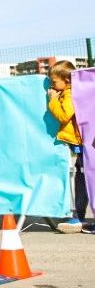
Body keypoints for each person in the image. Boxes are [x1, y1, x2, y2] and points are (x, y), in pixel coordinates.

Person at [47, 60, 90, 234]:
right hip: (78, 143)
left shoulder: (71, 94)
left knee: (86, 179)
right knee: (81, 178)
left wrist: (52, 101)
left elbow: (64, 115)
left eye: (54, 82)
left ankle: (79, 216)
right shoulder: (67, 92)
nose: (52, 86)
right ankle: (79, 215)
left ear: (67, 80)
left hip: (82, 143)